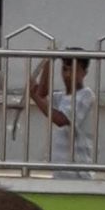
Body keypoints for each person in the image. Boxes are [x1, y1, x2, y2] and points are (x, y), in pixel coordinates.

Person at [29, 48, 95, 179]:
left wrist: (34, 97)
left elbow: (61, 119)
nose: (68, 74)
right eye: (65, 69)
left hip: (78, 174)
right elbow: (42, 93)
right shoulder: (61, 97)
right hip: (61, 171)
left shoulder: (86, 95)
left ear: (84, 73)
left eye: (74, 70)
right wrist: (48, 62)